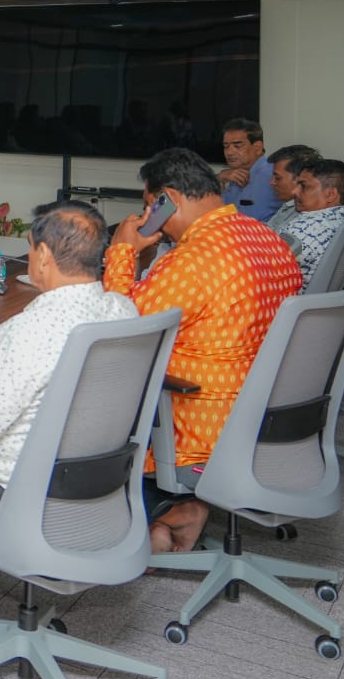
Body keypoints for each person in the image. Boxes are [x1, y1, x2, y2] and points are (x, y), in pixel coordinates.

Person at [103, 148, 302, 553]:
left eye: (151, 206)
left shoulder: (193, 260)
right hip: (267, 411)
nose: (149, 216)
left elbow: (119, 331)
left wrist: (123, 250)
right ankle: (183, 509)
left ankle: (154, 513)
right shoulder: (268, 237)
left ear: (169, 199)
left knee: (89, 391)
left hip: (202, 422)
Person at [0, 201, 137, 521]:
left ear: (45, 256)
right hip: (98, 480)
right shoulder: (123, 310)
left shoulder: (30, 330)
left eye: (31, 248)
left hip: (18, 489)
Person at [284, 157, 344, 290]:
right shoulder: (341, 219)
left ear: (330, 195)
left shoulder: (309, 227)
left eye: (303, 186)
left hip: (284, 298)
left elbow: (264, 264)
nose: (294, 192)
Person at [216, 119, 281, 223]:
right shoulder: (230, 175)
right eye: (226, 146)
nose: (229, 152)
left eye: (237, 145)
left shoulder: (275, 175)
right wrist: (219, 178)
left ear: (257, 148)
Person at [264, 143, 319, 235]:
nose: (272, 182)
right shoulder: (289, 204)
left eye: (277, 178)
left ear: (300, 178)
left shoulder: (308, 212)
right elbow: (269, 230)